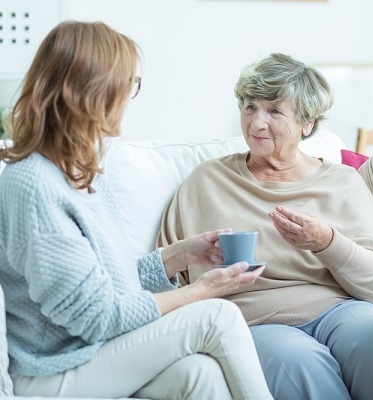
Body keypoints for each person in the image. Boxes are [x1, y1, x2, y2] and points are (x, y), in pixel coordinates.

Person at [0, 21, 272, 400]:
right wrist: (200, 291)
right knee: (217, 315)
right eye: (130, 83)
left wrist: (182, 254)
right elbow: (98, 316)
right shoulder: (32, 185)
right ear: (95, 90)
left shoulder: (81, 175)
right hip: (54, 370)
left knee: (199, 373)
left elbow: (116, 285)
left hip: (92, 353)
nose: (132, 95)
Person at [158, 53, 373, 400]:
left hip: (340, 309)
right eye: (250, 107)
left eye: (274, 111)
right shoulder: (206, 181)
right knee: (300, 362)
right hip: (255, 319)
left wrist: (326, 242)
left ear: (307, 124)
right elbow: (165, 275)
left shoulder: (341, 182)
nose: (256, 123)